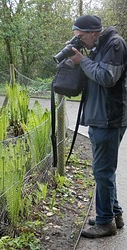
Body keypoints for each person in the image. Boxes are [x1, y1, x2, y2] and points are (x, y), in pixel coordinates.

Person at [69, 15, 127, 238]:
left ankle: (105, 223)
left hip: (109, 118)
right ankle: (114, 214)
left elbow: (106, 77)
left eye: (81, 37)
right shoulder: (98, 46)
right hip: (99, 117)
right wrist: (79, 60)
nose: (80, 41)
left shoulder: (115, 44)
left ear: (93, 32)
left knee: (102, 171)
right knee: (104, 171)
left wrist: (82, 61)